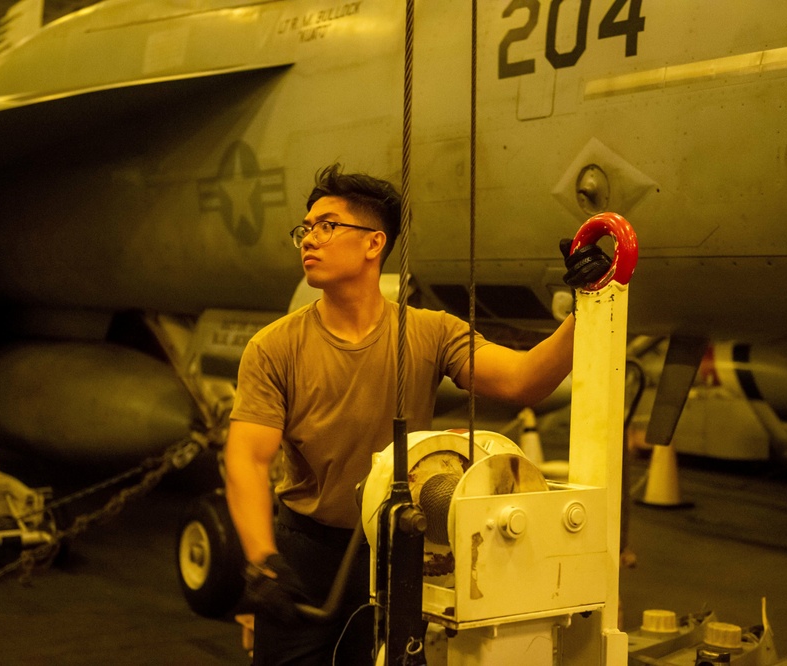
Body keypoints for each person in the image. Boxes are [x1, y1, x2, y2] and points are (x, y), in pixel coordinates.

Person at [225, 163, 608, 665]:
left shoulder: (430, 332)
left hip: (392, 549)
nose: (308, 239)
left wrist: (590, 303)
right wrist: (262, 561)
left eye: (327, 225)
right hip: (307, 553)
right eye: (306, 228)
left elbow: (521, 380)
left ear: (373, 243)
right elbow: (248, 461)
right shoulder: (274, 347)